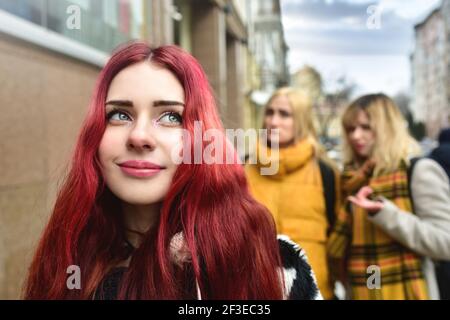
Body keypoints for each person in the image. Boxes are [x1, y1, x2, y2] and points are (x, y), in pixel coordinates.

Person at [23, 42, 321, 300]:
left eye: (169, 116)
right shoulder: (66, 258)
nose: (139, 136)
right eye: (118, 114)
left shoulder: (266, 266)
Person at [327, 93, 450, 300]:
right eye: (350, 129)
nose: (356, 136)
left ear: (387, 128)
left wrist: (386, 214)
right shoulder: (350, 180)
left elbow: (445, 243)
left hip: (408, 291)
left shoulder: (418, 171)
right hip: (361, 291)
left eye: (366, 127)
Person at [245, 87, 340, 300]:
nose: (273, 121)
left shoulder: (325, 171)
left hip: (313, 291)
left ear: (302, 120)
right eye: (269, 112)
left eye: (284, 114)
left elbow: (338, 239)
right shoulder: (242, 167)